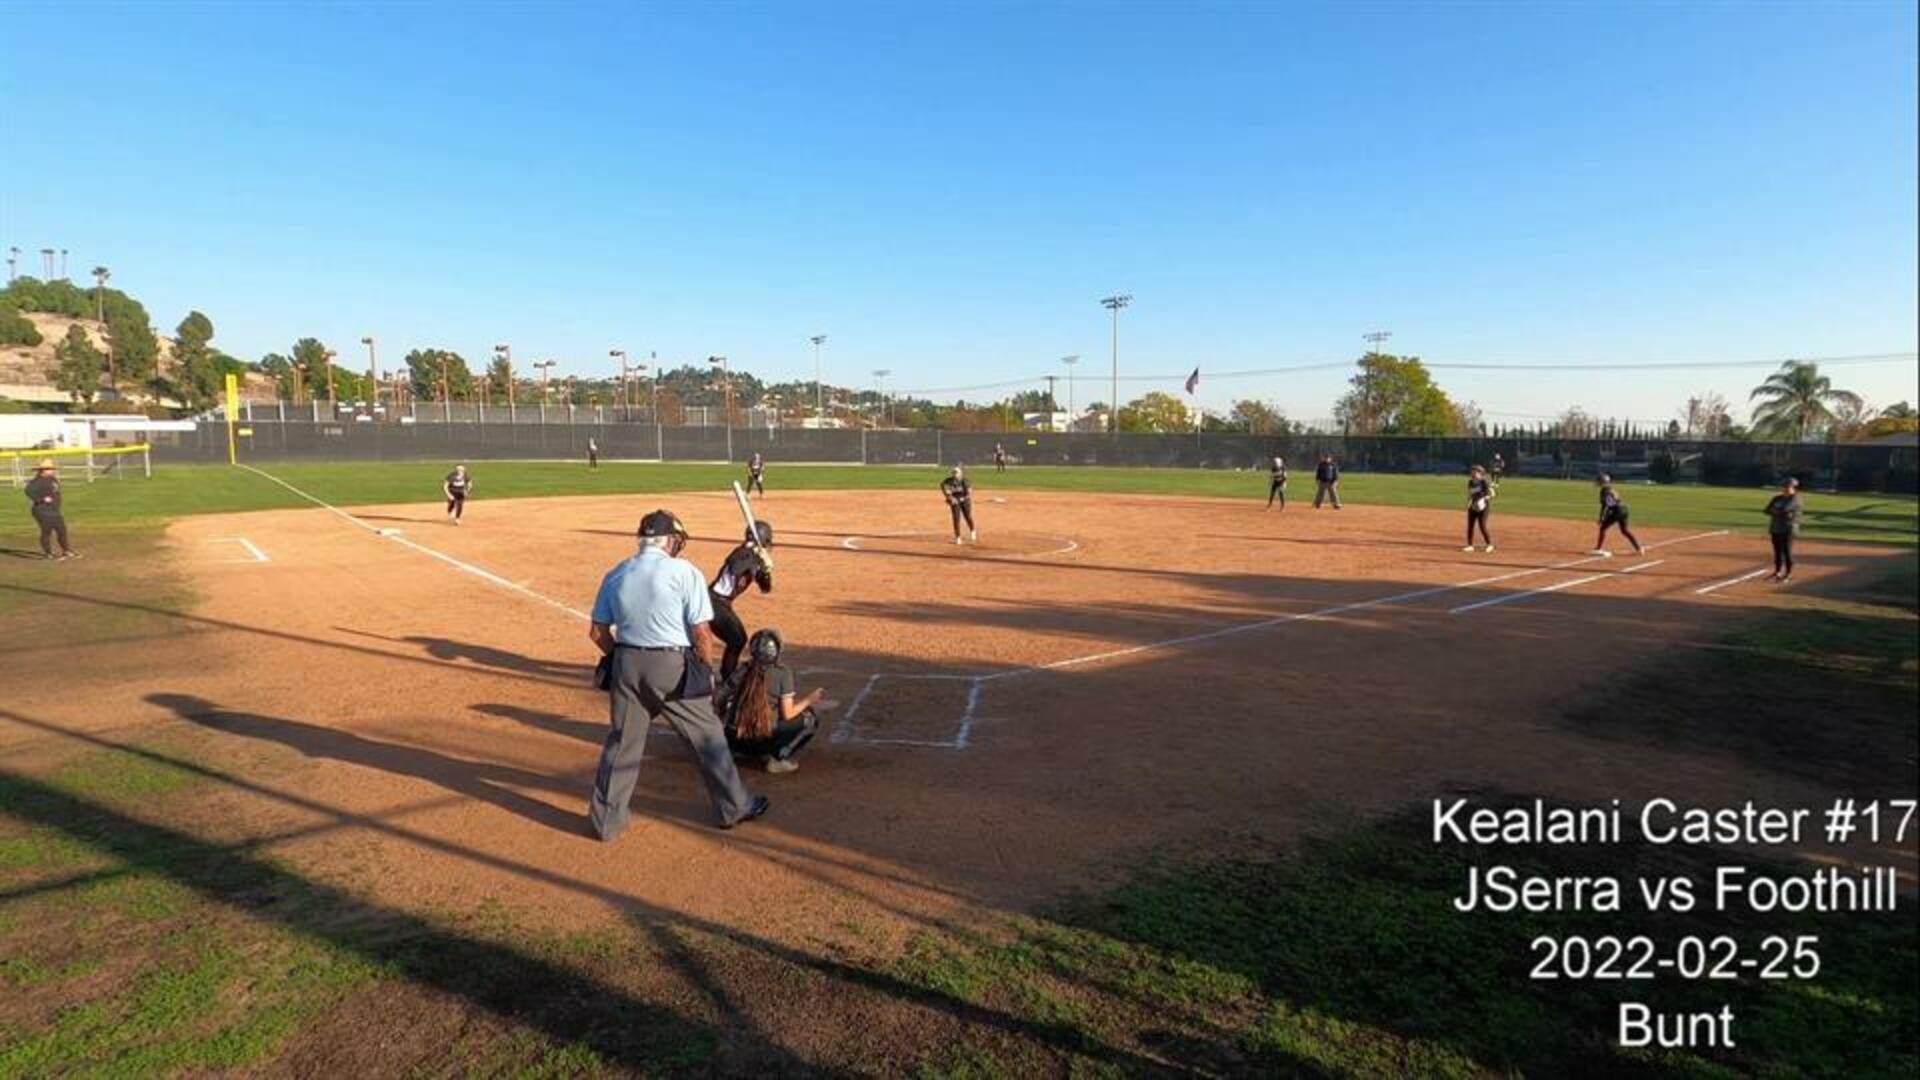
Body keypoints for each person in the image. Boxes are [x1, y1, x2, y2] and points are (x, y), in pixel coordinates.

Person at [587, 508, 768, 839]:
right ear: (669, 541)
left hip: (627, 663)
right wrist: (706, 671)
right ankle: (733, 806)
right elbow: (701, 632)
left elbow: (598, 632)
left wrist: (620, 659)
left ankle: (607, 823)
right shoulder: (685, 572)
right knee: (707, 736)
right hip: (672, 666)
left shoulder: (616, 573)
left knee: (622, 743)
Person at [722, 629, 824, 774]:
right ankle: (777, 758)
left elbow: (719, 696)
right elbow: (788, 714)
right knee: (810, 718)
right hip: (764, 739)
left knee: (727, 707)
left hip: (736, 738)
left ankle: (734, 750)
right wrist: (809, 700)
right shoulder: (782, 672)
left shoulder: (743, 669)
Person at [709, 520, 774, 680]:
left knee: (737, 640)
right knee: (737, 639)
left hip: (722, 604)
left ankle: (726, 677)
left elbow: (765, 588)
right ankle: (727, 679)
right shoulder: (741, 552)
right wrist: (753, 554)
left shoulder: (755, 557)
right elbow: (735, 567)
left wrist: (765, 570)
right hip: (713, 602)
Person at [24, 459, 78, 560]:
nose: (52, 470)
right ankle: (48, 553)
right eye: (49, 469)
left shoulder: (53, 479)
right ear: (42, 470)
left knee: (62, 530)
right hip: (42, 511)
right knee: (46, 531)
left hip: (54, 510)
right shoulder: (37, 481)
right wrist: (41, 500)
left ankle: (66, 551)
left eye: (52, 468)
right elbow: (28, 491)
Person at [1591, 473, 1643, 556]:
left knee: (1603, 528)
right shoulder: (1611, 489)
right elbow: (1609, 504)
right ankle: (1639, 549)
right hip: (1624, 509)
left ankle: (1598, 548)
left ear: (1602, 482)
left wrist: (1603, 517)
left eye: (1599, 481)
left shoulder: (1604, 491)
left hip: (1617, 510)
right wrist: (1604, 516)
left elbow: (1607, 505)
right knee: (1624, 530)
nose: (1598, 482)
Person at [1764, 477, 1803, 583]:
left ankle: (1788, 574)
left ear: (1793, 487)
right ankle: (1778, 572)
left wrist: (1776, 510)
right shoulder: (1777, 498)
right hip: (1775, 528)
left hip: (1788, 529)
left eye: (1788, 486)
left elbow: (1784, 510)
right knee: (1777, 552)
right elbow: (1766, 510)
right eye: (1784, 486)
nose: (1785, 488)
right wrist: (1778, 511)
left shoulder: (1795, 498)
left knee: (1787, 552)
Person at [941, 465, 977, 544]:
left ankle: (972, 530)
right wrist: (948, 497)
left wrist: (961, 499)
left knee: (967, 516)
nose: (954, 474)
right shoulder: (949, 481)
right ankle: (958, 537)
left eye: (956, 473)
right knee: (956, 518)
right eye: (953, 473)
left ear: (960, 474)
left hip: (965, 500)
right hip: (955, 501)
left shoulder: (964, 481)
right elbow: (943, 485)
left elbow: (969, 492)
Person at [1464, 465, 1496, 552]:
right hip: (1473, 505)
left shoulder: (1484, 482)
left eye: (1475, 471)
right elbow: (1470, 494)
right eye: (1472, 471)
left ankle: (1489, 545)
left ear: (1480, 473)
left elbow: (1492, 494)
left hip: (1484, 506)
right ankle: (1470, 545)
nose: (1473, 472)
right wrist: (1468, 503)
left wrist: (1484, 499)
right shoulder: (1470, 482)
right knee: (1470, 526)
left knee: (1482, 525)